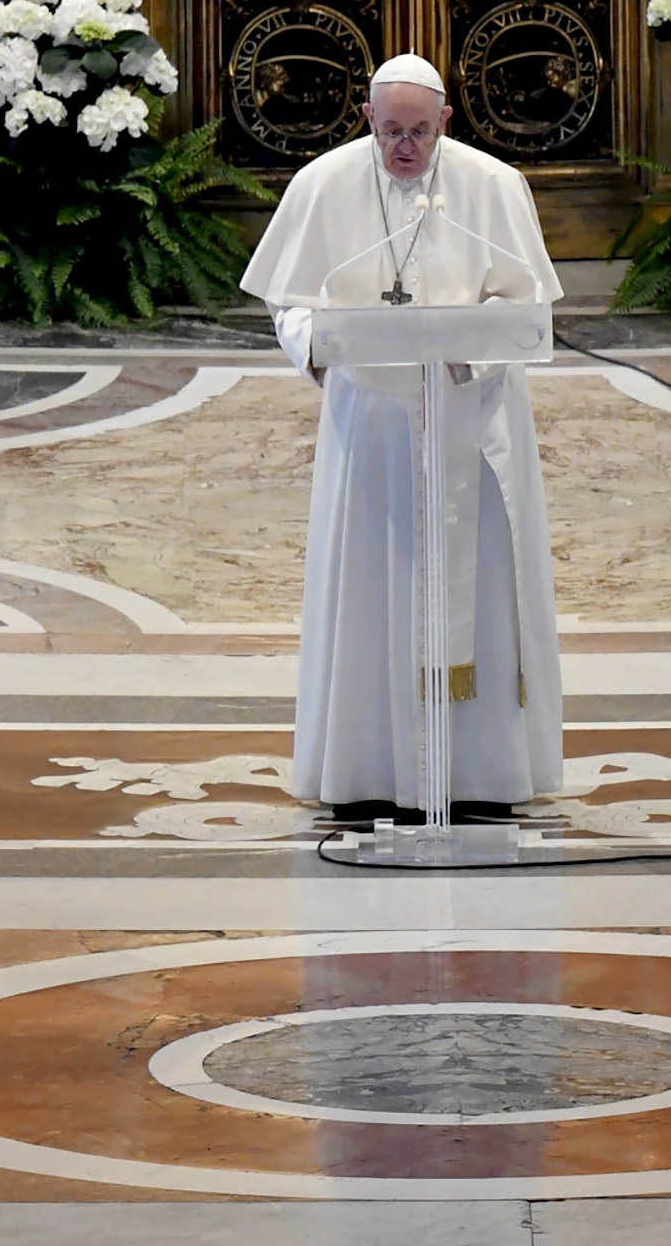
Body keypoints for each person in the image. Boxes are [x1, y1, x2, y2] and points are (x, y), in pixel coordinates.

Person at [239, 53, 566, 818]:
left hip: (470, 416)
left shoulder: (490, 187)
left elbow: (528, 313)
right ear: (368, 119)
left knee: (479, 585)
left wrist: (462, 351)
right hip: (374, 422)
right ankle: (367, 774)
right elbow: (287, 303)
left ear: (446, 121)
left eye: (420, 132)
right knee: (370, 583)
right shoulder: (322, 185)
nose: (405, 150)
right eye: (391, 132)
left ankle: (483, 779)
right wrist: (317, 345)